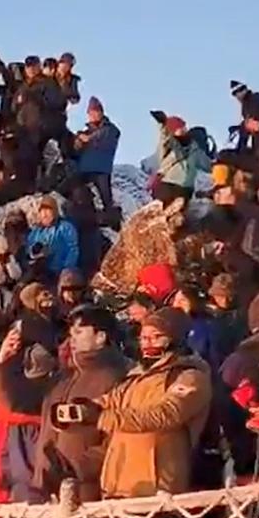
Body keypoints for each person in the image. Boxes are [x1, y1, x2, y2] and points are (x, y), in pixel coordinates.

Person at [86, 308, 213, 498]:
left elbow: (166, 414)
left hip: (157, 483)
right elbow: (108, 400)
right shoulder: (134, 377)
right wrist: (82, 411)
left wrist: (104, 417)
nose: (148, 343)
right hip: (118, 481)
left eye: (156, 337)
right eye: (144, 338)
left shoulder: (189, 377)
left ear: (175, 338)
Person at [35, 307, 131, 500]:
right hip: (50, 488)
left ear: (100, 337)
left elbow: (118, 438)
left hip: (88, 489)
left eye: (79, 332)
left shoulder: (116, 378)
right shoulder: (63, 379)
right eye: (71, 334)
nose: (73, 340)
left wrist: (78, 468)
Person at [73, 97, 121, 224]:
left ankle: (112, 220)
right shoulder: (85, 131)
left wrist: (88, 139)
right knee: (76, 189)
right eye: (91, 113)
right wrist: (79, 141)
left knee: (106, 198)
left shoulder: (110, 129)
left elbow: (107, 135)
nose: (93, 115)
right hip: (84, 168)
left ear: (101, 113)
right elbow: (76, 147)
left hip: (101, 168)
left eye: (96, 112)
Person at [24, 196, 79, 280]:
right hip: (41, 273)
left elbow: (73, 248)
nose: (44, 214)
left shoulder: (65, 227)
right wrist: (36, 252)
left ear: (55, 211)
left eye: (48, 210)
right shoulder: (36, 232)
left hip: (60, 273)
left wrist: (66, 269)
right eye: (42, 211)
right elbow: (29, 249)